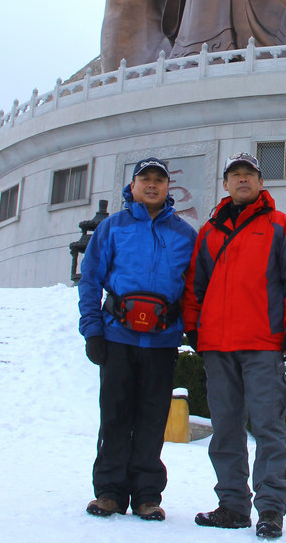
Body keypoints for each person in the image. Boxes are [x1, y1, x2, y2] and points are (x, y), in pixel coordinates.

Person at [182, 151, 286, 539]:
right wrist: (193, 327)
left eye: (249, 174)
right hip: (218, 347)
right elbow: (194, 286)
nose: (242, 180)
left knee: (269, 427)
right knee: (225, 428)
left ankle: (270, 509)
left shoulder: (278, 226)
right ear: (225, 184)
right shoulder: (208, 232)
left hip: (262, 345)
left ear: (259, 182)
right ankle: (233, 505)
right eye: (235, 174)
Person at [78, 156, 197, 520]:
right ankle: (110, 492)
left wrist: (192, 329)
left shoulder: (186, 234)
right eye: (144, 178)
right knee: (114, 415)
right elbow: (90, 280)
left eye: (158, 180)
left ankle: (147, 495)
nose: (151, 184)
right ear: (132, 186)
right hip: (117, 338)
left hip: (162, 343)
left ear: (167, 187)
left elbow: (193, 288)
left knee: (151, 418)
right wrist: (93, 330)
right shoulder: (113, 227)